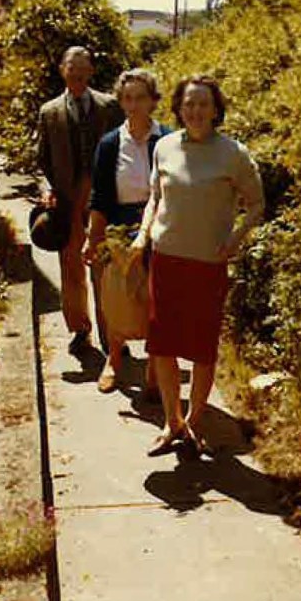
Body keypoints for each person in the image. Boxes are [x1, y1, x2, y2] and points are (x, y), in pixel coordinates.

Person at [130, 74, 264, 457]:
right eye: (189, 103)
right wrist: (144, 234)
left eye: (203, 104)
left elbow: (256, 204)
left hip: (207, 264)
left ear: (216, 109)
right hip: (167, 260)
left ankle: (194, 420)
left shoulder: (233, 154)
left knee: (202, 350)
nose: (196, 111)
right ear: (178, 107)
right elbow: (155, 197)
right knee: (164, 345)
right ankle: (172, 423)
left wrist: (234, 241)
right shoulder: (165, 147)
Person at [83, 68, 172, 395]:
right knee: (118, 298)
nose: (134, 105)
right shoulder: (109, 144)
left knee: (154, 300)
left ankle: (152, 367)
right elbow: (100, 196)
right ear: (121, 102)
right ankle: (114, 360)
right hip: (119, 228)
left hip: (159, 227)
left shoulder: (167, 140)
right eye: (128, 98)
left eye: (141, 98)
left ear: (153, 102)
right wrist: (93, 239)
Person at [37, 46, 124, 354]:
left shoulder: (111, 107)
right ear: (62, 70)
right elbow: (42, 160)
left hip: (103, 198)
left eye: (82, 69)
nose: (76, 74)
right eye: (71, 68)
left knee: (106, 268)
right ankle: (80, 330)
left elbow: (123, 151)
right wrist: (49, 189)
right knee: (71, 267)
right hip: (67, 198)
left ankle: (113, 335)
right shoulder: (49, 112)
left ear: (91, 72)